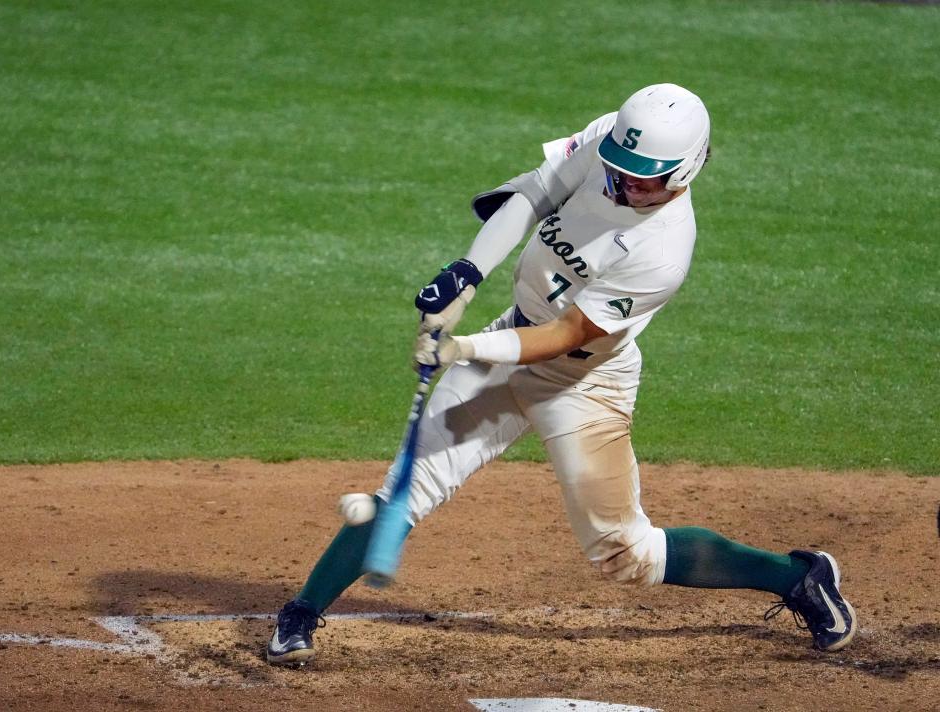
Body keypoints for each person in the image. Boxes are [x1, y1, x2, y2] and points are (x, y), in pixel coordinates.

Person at [266, 83, 857, 666]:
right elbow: (532, 193)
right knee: (404, 490)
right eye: (623, 167)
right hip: (506, 338)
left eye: (645, 176)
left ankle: (796, 577)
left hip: (583, 384)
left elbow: (567, 335)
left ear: (687, 170)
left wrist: (465, 347)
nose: (627, 182)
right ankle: (302, 611)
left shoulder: (664, 251)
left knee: (627, 555)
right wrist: (467, 275)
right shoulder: (610, 145)